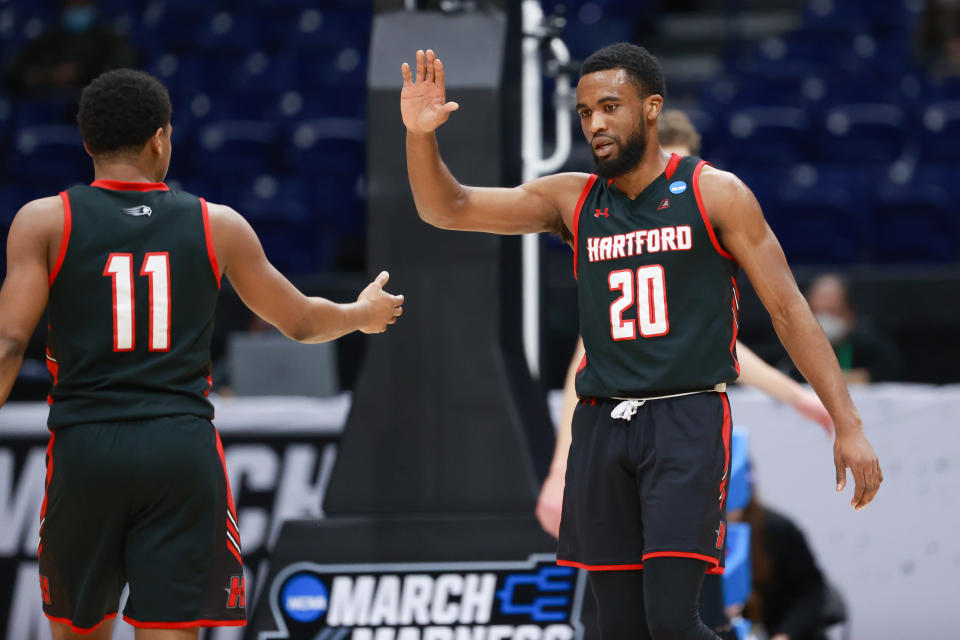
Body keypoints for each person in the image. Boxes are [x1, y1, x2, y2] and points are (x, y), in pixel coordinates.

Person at [400, 44, 881, 640]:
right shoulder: (573, 199)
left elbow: (790, 313)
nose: (595, 123)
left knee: (673, 625)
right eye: (584, 113)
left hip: (687, 419)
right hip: (603, 426)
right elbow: (447, 207)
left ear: (651, 109)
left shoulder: (715, 194)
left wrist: (847, 422)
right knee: (616, 630)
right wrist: (421, 137)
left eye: (609, 107)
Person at [0, 69, 404, 640]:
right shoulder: (217, 225)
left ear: (86, 142)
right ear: (161, 138)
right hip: (180, 450)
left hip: (85, 448)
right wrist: (361, 315)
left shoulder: (43, 221)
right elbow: (302, 321)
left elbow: (9, 343)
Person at [536, 110, 834, 543]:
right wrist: (561, 468)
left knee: (681, 583)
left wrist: (796, 397)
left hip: (678, 432)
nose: (671, 188)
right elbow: (583, 364)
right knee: (625, 588)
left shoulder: (692, 242)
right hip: (619, 434)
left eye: (681, 172)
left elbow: (721, 346)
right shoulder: (615, 240)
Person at [798, 273, 903, 384]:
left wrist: (864, 376)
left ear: (850, 313)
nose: (824, 319)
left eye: (832, 311)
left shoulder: (868, 343)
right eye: (817, 311)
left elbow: (892, 371)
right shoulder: (792, 346)